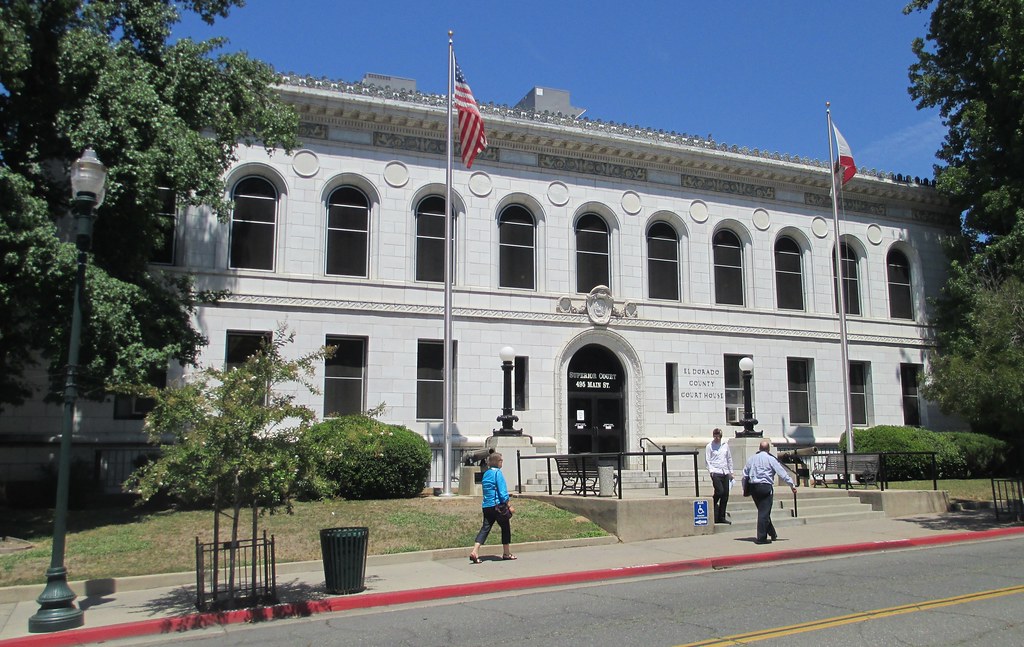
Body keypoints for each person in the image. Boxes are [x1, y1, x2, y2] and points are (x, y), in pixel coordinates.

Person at [742, 440, 797, 545]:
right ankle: (761, 538)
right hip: (765, 487)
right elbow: (782, 473)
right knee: (763, 513)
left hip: (754, 487)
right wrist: (791, 485)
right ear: (768, 449)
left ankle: (772, 533)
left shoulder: (751, 459)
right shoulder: (771, 459)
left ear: (759, 448)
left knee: (764, 511)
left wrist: (744, 488)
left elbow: (745, 474)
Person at [469, 452, 516, 563]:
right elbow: (502, 492)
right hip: (498, 506)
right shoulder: (497, 474)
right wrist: (509, 506)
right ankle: (506, 553)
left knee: (485, 528)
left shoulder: (486, 474)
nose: (502, 462)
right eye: (501, 460)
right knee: (505, 527)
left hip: (487, 505)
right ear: (497, 462)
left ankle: (475, 551)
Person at [705, 428, 733, 524]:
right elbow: (707, 460)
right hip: (715, 471)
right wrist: (711, 471)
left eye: (718, 436)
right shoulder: (710, 446)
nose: (717, 438)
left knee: (725, 495)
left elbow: (729, 458)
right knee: (719, 491)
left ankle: (721, 516)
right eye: (715, 436)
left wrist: (731, 472)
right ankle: (712, 504)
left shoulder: (725, 445)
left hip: (725, 471)